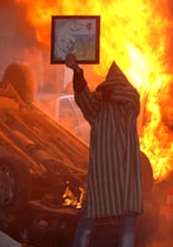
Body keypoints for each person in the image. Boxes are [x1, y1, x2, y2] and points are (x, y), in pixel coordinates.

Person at [65, 53, 143, 247]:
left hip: (124, 179)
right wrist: (77, 71)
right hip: (103, 180)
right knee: (87, 224)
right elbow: (83, 98)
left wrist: (106, 94)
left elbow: (131, 95)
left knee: (127, 228)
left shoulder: (129, 108)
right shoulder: (97, 109)